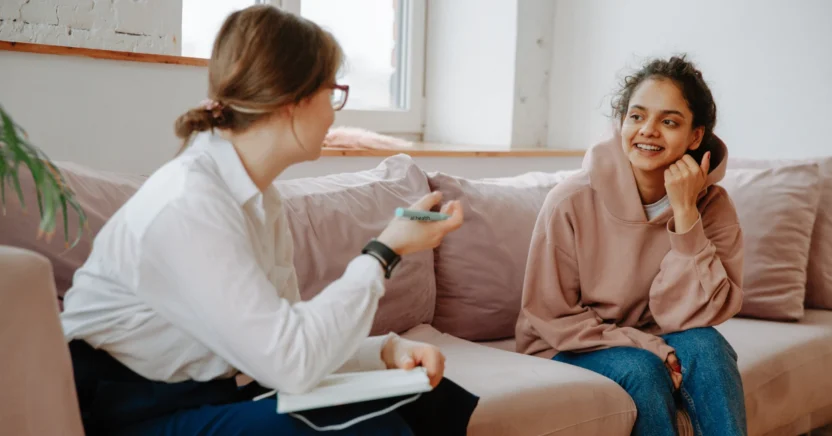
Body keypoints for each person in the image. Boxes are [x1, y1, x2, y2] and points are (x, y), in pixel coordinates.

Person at [60, 5, 478, 435]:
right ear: (291, 101)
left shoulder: (261, 200)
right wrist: (384, 251)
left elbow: (288, 340)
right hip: (127, 412)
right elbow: (292, 365)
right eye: (331, 93)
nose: (335, 113)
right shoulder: (190, 204)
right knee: (367, 429)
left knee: (429, 398)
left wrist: (386, 352)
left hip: (211, 393)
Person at [515, 55, 747, 436]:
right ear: (621, 122)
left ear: (694, 136)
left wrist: (686, 214)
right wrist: (649, 346)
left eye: (669, 121)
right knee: (643, 369)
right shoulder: (569, 201)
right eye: (637, 116)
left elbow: (705, 313)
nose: (648, 131)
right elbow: (551, 315)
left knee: (708, 347)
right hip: (567, 344)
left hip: (659, 333)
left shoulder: (714, 206)